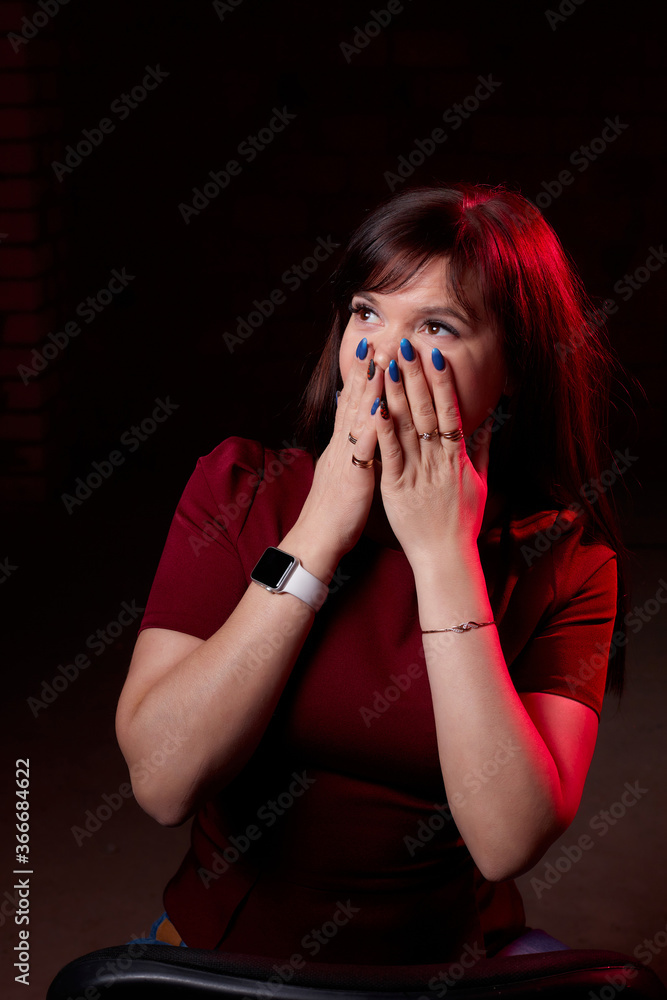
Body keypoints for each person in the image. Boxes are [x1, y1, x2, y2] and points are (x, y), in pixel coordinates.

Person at [115, 182, 631, 964]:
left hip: (452, 966)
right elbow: (162, 784)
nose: (384, 354)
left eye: (435, 325)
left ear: (515, 368)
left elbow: (506, 840)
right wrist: (320, 530)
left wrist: (443, 555)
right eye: (366, 313)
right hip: (225, 965)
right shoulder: (237, 489)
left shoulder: (568, 561)